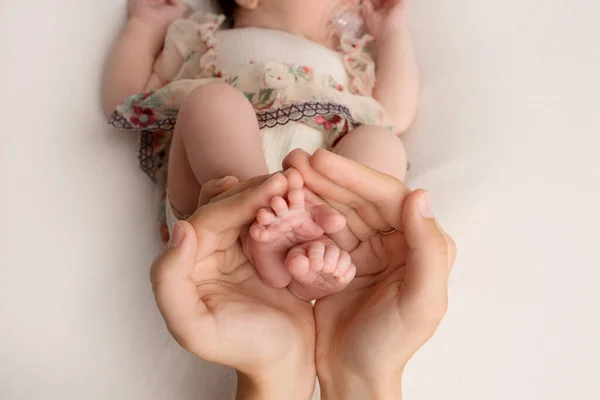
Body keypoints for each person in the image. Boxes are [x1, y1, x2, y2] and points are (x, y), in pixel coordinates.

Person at [103, 0, 419, 299]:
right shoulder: (204, 40)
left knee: (381, 142)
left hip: (318, 213)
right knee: (212, 103)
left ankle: (316, 250)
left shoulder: (349, 62)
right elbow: (126, 100)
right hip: (216, 212)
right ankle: (259, 217)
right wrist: (146, 24)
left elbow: (396, 115)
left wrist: (391, 32)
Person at [151, 149, 456, 399]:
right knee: (380, 142)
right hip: (335, 150)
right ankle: (305, 248)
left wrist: (279, 370)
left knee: (217, 110)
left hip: (244, 203)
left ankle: (274, 246)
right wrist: (361, 379)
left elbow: (120, 96)